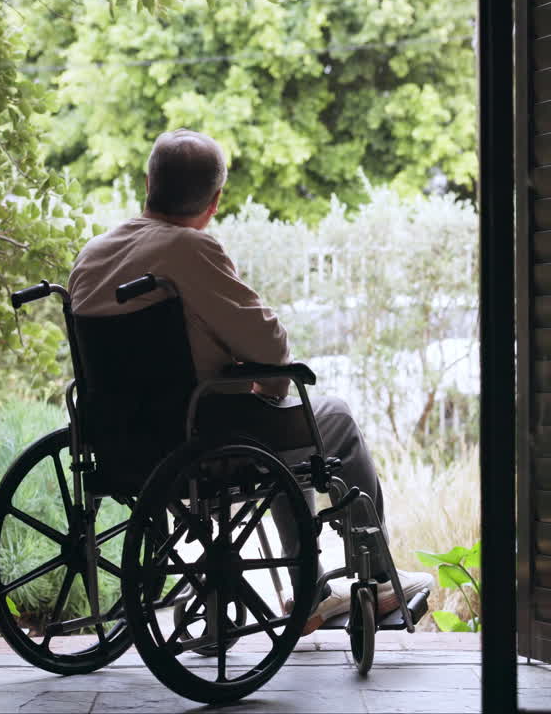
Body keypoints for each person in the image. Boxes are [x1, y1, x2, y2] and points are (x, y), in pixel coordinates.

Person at [68, 128, 431, 634]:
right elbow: (269, 348)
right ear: (215, 201)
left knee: (279, 432)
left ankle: (312, 587)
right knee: (331, 419)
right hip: (198, 436)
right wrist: (271, 389)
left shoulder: (93, 255)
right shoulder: (189, 250)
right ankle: (371, 577)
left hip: (120, 442)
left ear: (147, 181)